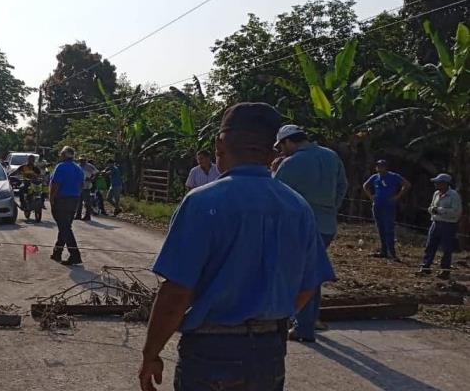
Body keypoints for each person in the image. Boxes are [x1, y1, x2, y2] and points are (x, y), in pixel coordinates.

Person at [138, 102, 335, 391]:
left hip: (211, 351)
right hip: (269, 352)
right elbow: (308, 286)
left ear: (220, 143)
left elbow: (176, 294)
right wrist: (267, 317)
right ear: (273, 151)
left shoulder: (202, 203)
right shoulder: (297, 207)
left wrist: (150, 354)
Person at [273, 124, 348, 343]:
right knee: (312, 273)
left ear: (288, 141)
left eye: (281, 146)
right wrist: (331, 208)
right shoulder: (331, 156)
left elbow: (274, 195)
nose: (281, 151)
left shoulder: (291, 163)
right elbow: (343, 186)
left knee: (299, 276)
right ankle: (309, 320)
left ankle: (303, 326)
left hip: (299, 228)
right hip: (327, 226)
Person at [363, 160, 411, 260]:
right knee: (380, 228)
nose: (380, 168)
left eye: (382, 166)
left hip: (388, 206)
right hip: (377, 205)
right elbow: (365, 186)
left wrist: (397, 197)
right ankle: (383, 251)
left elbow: (406, 185)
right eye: (378, 166)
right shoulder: (375, 177)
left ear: (386, 167)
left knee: (389, 229)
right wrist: (371, 197)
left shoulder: (393, 176)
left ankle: (392, 253)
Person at [418, 173, 463, 280]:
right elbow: (431, 207)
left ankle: (445, 270)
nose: (436, 184)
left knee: (447, 248)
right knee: (430, 246)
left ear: (445, 184)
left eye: (438, 182)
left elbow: (456, 212)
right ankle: (425, 266)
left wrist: (440, 210)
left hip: (448, 225)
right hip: (435, 223)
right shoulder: (436, 194)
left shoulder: (454, 195)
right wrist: (432, 210)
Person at [49, 146, 85, 265]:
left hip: (62, 200)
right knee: (65, 227)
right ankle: (57, 252)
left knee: (65, 228)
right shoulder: (78, 168)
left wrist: (51, 199)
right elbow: (81, 186)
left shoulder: (61, 167)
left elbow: (55, 185)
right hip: (74, 199)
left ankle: (75, 255)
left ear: (63, 155)